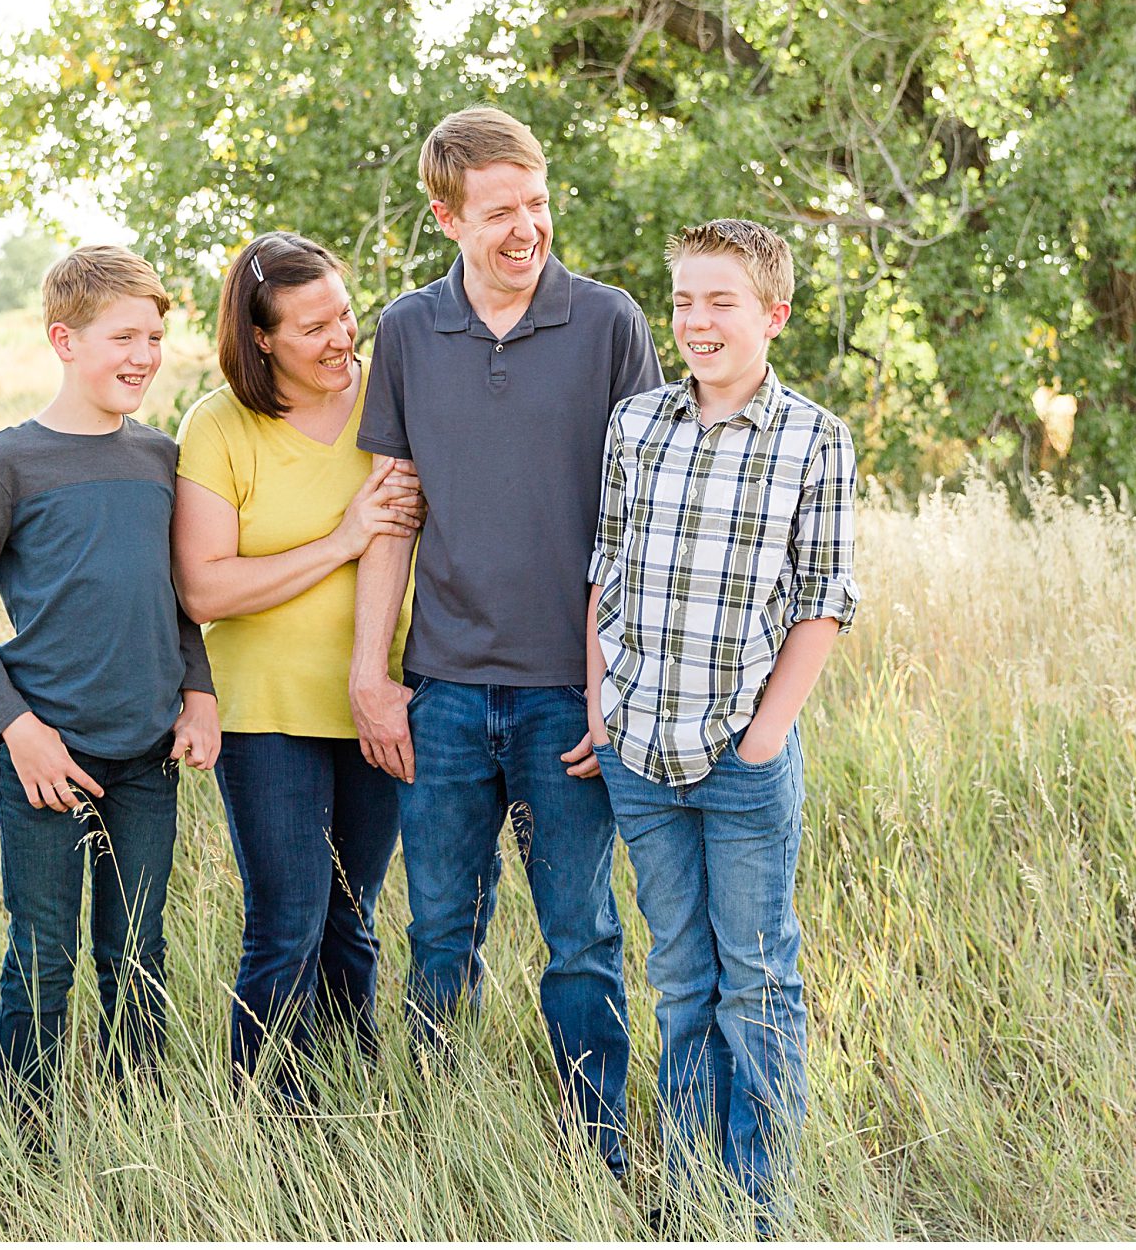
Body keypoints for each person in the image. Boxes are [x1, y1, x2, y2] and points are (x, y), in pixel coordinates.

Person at [349, 106, 661, 1177]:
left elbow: (640, 525)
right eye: (498, 212)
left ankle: (599, 1158)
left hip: (567, 700)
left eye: (535, 203)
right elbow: (393, 513)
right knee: (438, 937)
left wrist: (612, 682)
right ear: (446, 216)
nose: (525, 228)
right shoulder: (405, 332)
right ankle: (442, 1154)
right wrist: (371, 678)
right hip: (437, 694)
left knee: (580, 943)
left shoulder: (608, 322)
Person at [585, 219, 860, 1228]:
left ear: (771, 315)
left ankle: (755, 1205)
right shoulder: (634, 425)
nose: (697, 322)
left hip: (742, 758)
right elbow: (602, 574)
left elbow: (823, 601)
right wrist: (597, 708)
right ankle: (688, 1191)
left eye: (721, 302)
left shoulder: (810, 439)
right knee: (678, 979)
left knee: (753, 979)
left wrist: (761, 737)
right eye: (685, 301)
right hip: (640, 751)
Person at [0, 244, 221, 1144]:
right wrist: (18, 732)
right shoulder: (12, 462)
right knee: (45, 959)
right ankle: (31, 1145)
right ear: (64, 339)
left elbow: (174, 599)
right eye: (122, 336)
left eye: (156, 337)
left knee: (138, 951)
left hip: (145, 755)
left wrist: (198, 692)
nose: (143, 355)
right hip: (47, 759)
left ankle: (140, 1132)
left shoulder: (160, 458)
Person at [172, 232, 421, 1099]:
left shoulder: (389, 397)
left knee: (353, 920)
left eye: (344, 314)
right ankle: (272, 1124)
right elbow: (205, 589)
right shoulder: (218, 424)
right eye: (311, 326)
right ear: (262, 337)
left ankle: (353, 1102)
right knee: (287, 924)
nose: (339, 339)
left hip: (381, 703)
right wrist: (344, 539)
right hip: (266, 714)